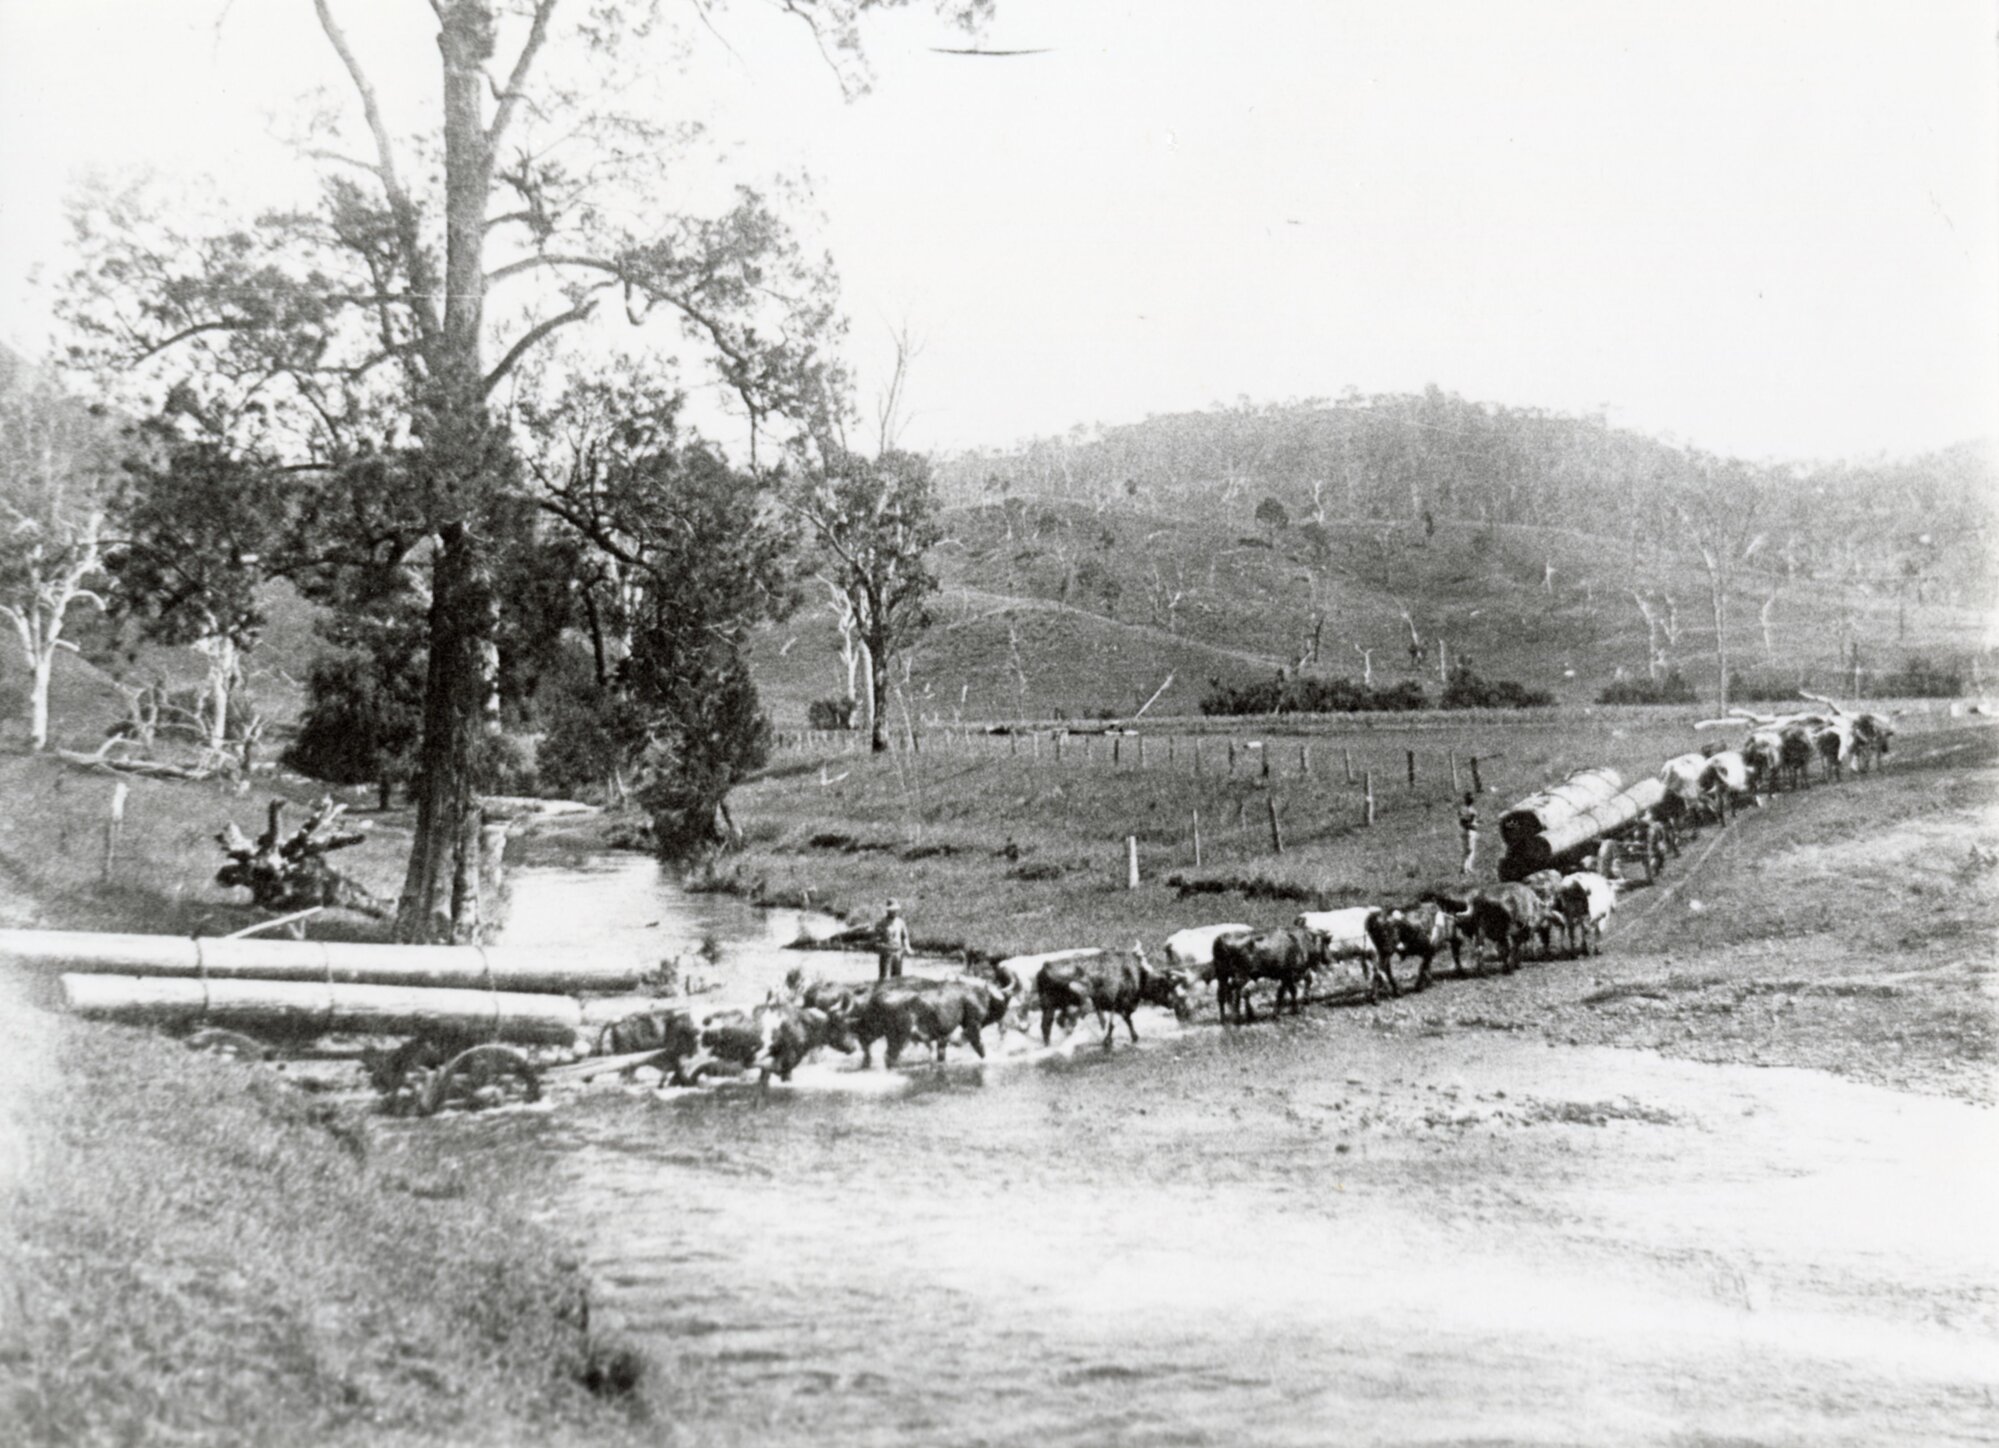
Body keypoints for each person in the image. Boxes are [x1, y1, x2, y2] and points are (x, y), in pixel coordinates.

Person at [875, 899, 910, 981]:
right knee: (884, 978)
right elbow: (876, 940)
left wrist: (908, 947)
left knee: (897, 978)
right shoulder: (881, 923)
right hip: (886, 954)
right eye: (892, 910)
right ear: (888, 911)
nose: (894, 912)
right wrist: (882, 947)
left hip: (898, 954)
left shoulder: (900, 922)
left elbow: (905, 937)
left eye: (895, 910)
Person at [1457, 793, 1479, 876]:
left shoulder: (1463, 809)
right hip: (1469, 831)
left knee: (1469, 850)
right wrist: (1472, 825)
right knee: (1469, 850)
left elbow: (1461, 820)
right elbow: (1466, 821)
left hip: (1466, 831)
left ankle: (1468, 867)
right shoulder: (1472, 811)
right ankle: (1464, 868)